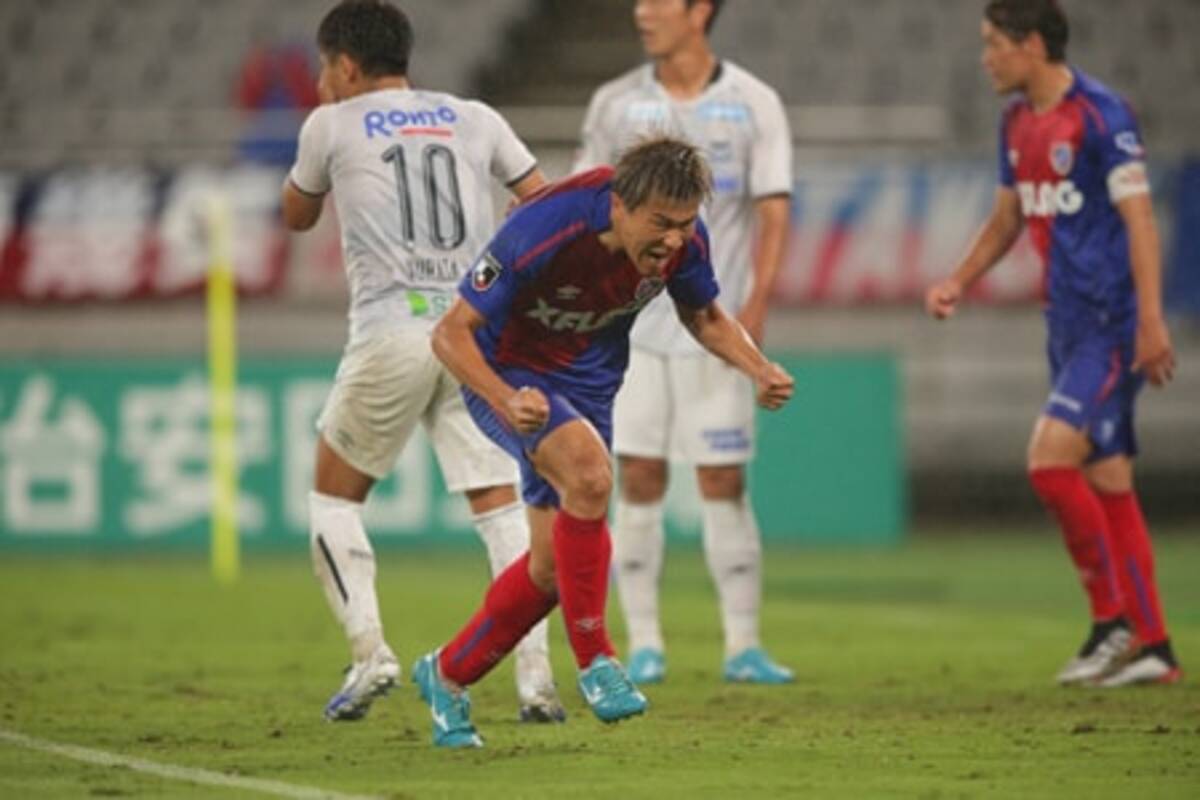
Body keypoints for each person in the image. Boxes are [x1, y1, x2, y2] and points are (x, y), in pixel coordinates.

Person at [412, 136, 796, 748]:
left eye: (685, 224)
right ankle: (597, 660)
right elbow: (450, 333)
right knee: (591, 477)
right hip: (509, 374)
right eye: (661, 224)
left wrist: (758, 368)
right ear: (619, 204)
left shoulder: (684, 241)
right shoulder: (545, 227)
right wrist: (504, 398)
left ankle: (447, 675)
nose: (674, 240)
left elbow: (703, 316)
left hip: (589, 383)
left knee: (549, 570)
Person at [280, 0, 564, 723]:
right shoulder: (474, 117)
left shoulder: (330, 123)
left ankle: (369, 652)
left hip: (393, 331)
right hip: (474, 332)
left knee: (333, 498)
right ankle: (536, 680)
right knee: (501, 507)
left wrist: (319, 143)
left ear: (346, 66)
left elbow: (297, 215)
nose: (322, 80)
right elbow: (542, 203)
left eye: (324, 68)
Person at [925, 0, 1181, 687]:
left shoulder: (1101, 115)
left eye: (994, 43)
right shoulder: (1016, 121)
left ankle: (1111, 620)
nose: (986, 58)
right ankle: (1155, 646)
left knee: (1048, 461)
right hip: (1065, 323)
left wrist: (1151, 320)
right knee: (1108, 478)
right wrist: (958, 280)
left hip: (1110, 322)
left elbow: (1140, 219)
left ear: (1032, 44)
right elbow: (1007, 218)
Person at [572, 0, 795, 685]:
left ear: (699, 11)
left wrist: (757, 302)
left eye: (657, 2)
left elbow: (773, 209)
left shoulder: (754, 102)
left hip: (712, 324)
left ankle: (743, 646)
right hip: (632, 330)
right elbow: (585, 204)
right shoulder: (615, 103)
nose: (642, 13)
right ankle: (645, 643)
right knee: (638, 477)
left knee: (722, 478)